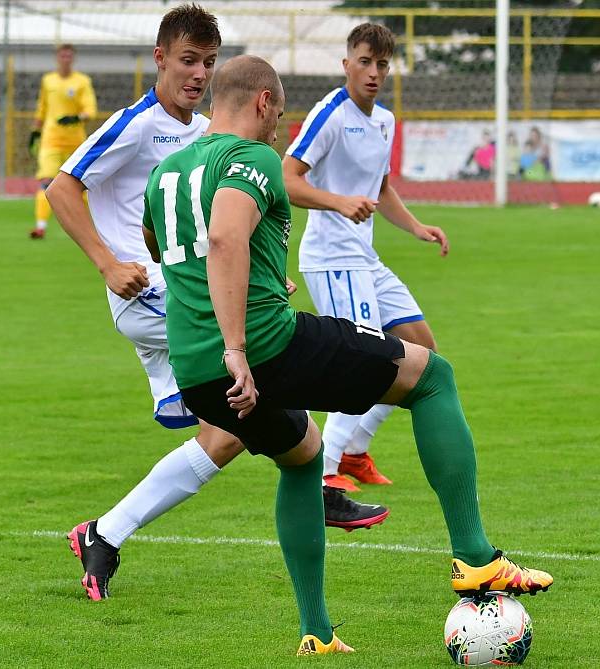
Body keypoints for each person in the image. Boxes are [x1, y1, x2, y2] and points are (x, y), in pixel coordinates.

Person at [142, 53, 553, 656]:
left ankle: (317, 632)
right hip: (261, 351)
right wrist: (237, 343)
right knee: (432, 376)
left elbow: (162, 243)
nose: (279, 128)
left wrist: (247, 286)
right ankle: (475, 558)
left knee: (304, 457)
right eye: (279, 114)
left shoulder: (170, 171)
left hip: (197, 373)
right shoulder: (250, 158)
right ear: (261, 103)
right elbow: (227, 235)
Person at [46, 4, 385, 603]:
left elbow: (227, 224)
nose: (198, 74)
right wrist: (106, 262)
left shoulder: (208, 135)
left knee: (227, 429)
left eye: (207, 62)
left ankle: (105, 532)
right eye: (187, 61)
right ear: (159, 60)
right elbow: (62, 186)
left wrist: (256, 282)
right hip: (154, 295)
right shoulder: (137, 124)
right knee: (269, 366)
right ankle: (319, 486)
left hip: (188, 294)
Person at [282, 24, 449, 492]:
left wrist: (416, 227)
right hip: (332, 259)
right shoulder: (329, 114)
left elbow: (380, 188)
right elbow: (288, 178)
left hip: (364, 257)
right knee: (359, 361)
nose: (373, 73)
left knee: (422, 350)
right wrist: (338, 202)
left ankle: (356, 452)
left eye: (381, 65)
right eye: (364, 62)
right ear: (346, 64)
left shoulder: (385, 120)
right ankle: (326, 471)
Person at [29, 44, 97, 239]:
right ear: (57, 58)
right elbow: (42, 107)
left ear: (72, 58)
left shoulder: (82, 81)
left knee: (79, 186)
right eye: (62, 55)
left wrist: (77, 118)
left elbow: (90, 110)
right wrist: (35, 130)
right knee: (46, 182)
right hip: (50, 140)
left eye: (69, 56)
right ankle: (40, 226)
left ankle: (89, 228)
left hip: (76, 142)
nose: (65, 59)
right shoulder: (48, 80)